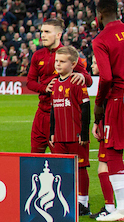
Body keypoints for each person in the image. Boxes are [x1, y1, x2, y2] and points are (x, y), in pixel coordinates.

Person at [90, 0, 124, 222]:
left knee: (112, 151)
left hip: (119, 99)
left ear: (99, 15)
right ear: (118, 11)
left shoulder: (101, 39)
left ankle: (122, 209)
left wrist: (99, 104)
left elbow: (107, 77)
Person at [26, 18, 88, 154]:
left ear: (58, 35)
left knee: (60, 162)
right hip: (41, 114)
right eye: (42, 31)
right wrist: (45, 88)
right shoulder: (38, 55)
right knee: (34, 157)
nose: (43, 35)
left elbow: (88, 79)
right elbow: (30, 82)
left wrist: (82, 76)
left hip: (60, 116)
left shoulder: (67, 55)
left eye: (47, 32)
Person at [48, 46, 91, 216]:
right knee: (60, 168)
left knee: (81, 168)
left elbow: (86, 108)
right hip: (59, 136)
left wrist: (84, 133)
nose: (58, 64)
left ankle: (83, 203)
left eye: (62, 61)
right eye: (56, 61)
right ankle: (63, 199)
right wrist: (52, 132)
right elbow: (53, 110)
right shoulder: (55, 84)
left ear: (73, 64)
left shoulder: (77, 82)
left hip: (75, 135)